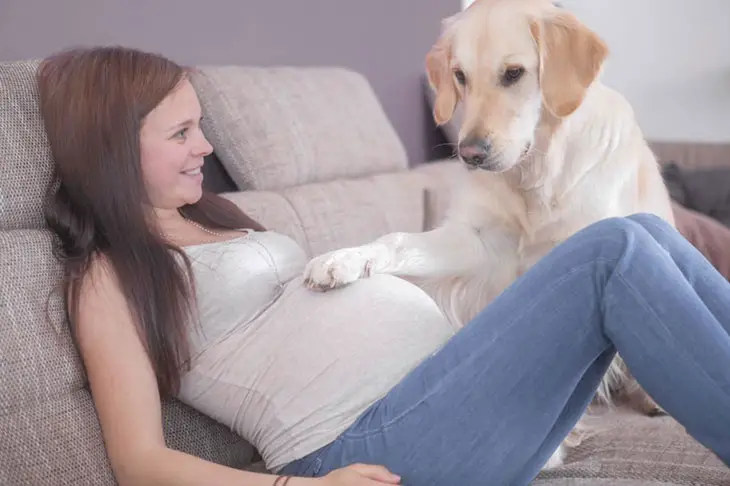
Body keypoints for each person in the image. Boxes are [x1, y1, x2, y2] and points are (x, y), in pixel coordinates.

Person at [37, 46, 730, 486]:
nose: (206, 146)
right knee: (613, 250)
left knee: (640, 227)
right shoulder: (107, 278)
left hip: (442, 403)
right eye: (182, 132)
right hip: (373, 448)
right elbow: (139, 463)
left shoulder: (205, 219)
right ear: (112, 148)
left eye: (201, 125)